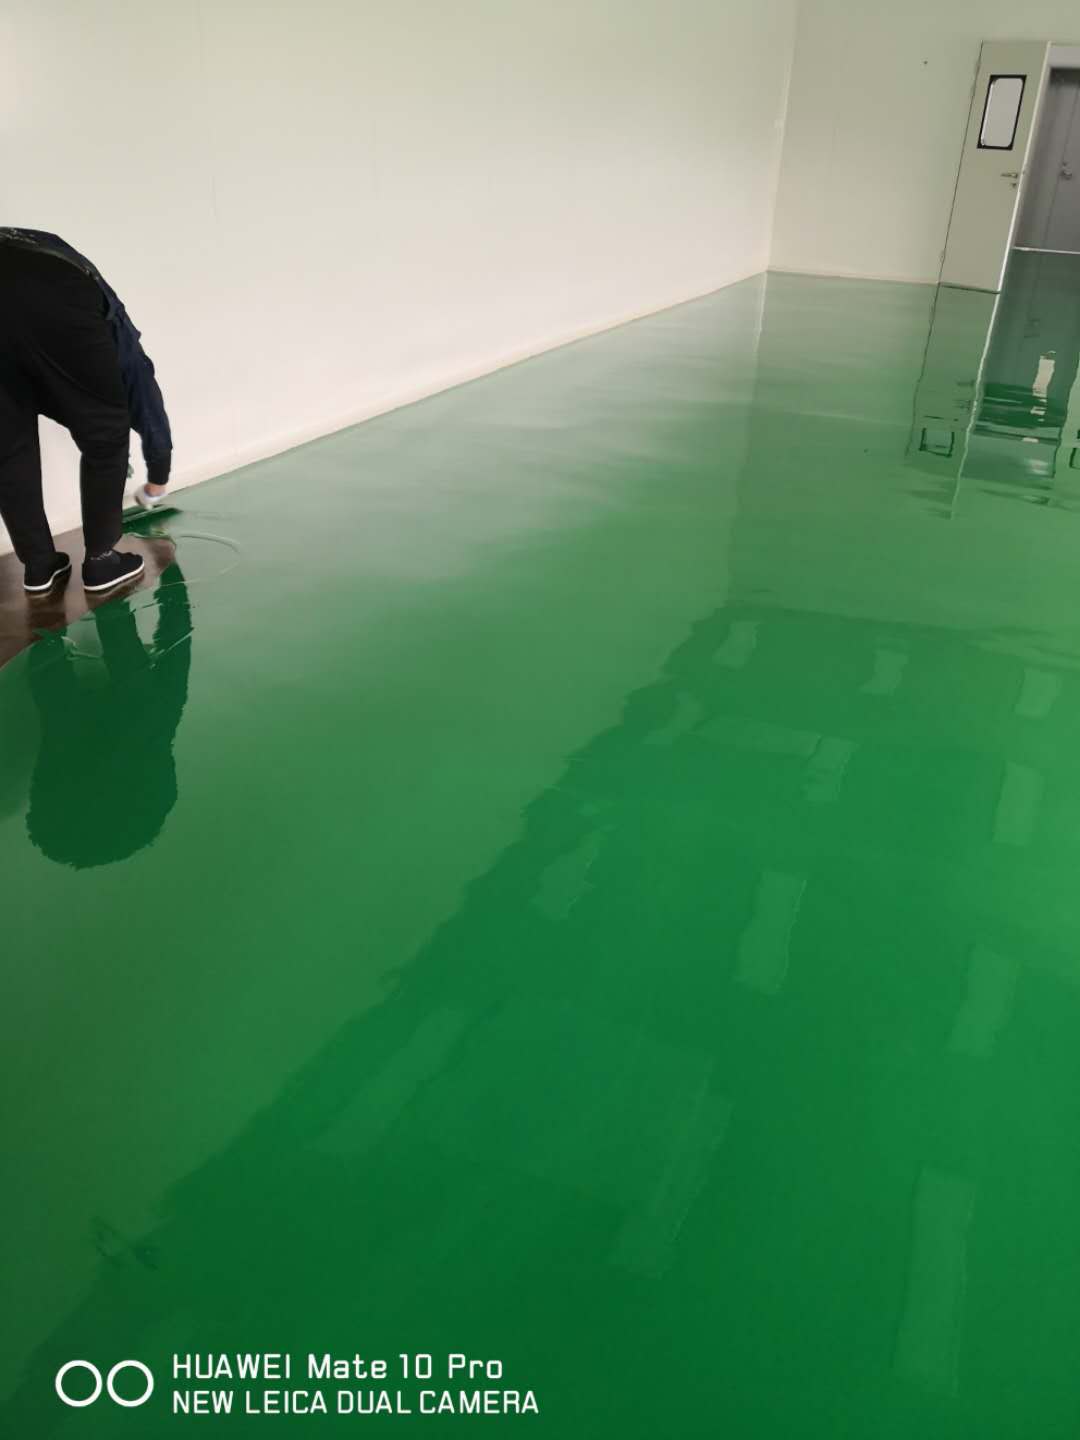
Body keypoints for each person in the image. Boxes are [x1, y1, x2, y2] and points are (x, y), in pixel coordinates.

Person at [0, 227, 173, 595]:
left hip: (41, 290)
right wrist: (159, 474)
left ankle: (38, 565)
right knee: (105, 432)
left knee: (8, 446)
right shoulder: (101, 305)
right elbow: (138, 379)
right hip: (53, 293)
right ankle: (101, 562)